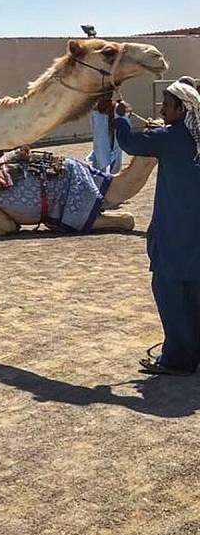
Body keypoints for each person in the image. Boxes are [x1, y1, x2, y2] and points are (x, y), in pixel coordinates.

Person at [116, 77, 200, 375]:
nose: (162, 110)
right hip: (194, 234)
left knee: (170, 290)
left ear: (181, 109)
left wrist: (121, 117)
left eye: (167, 106)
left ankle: (178, 358)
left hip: (174, 230)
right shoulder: (192, 137)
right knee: (194, 292)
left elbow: (129, 143)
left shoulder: (169, 137)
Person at [87, 95, 122, 173]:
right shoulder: (95, 111)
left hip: (114, 135)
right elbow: (94, 126)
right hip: (101, 136)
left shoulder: (117, 108)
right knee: (100, 155)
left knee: (115, 161)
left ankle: (113, 177)